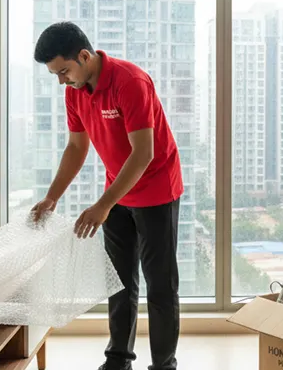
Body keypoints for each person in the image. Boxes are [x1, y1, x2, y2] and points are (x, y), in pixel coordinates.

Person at [30, 21, 183, 370]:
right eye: (55, 74)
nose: (61, 81)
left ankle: (164, 365)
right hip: (116, 192)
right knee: (119, 282)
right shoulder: (75, 91)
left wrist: (102, 205)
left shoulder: (130, 82)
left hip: (157, 190)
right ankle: (117, 360)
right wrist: (52, 197)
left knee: (160, 287)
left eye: (64, 71)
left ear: (84, 56)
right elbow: (75, 147)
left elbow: (143, 153)